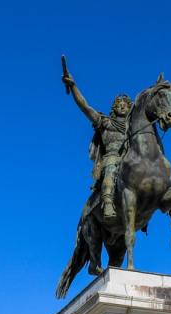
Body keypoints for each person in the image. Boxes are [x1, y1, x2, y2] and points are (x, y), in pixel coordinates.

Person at [62, 71, 132, 221]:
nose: (122, 107)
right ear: (114, 108)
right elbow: (85, 107)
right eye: (119, 105)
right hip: (111, 157)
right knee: (112, 166)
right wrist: (73, 87)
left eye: (125, 105)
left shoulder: (132, 128)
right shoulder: (105, 123)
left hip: (129, 159)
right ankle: (107, 202)